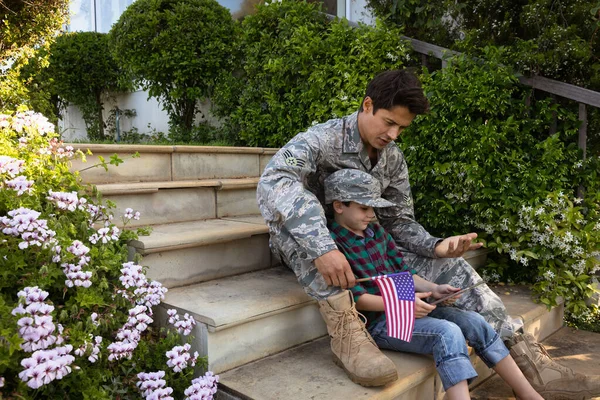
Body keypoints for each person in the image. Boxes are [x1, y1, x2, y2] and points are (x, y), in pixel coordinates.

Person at [256, 69, 600, 397]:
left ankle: (531, 365)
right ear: (367, 105)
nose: (393, 135)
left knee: (459, 270)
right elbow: (273, 182)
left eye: (401, 128)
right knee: (296, 227)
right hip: (321, 245)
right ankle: (348, 329)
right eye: (389, 122)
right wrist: (322, 246)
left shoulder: (391, 158)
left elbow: (399, 222)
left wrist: (436, 248)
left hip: (366, 241)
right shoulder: (321, 140)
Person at [324, 168, 542, 400]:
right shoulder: (332, 249)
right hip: (380, 324)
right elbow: (356, 299)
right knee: (447, 333)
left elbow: (405, 274)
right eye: (364, 208)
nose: (371, 215)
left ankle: (529, 395)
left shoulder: (378, 233)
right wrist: (403, 304)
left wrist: (433, 289)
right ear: (339, 206)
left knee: (475, 321)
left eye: (373, 209)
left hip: (408, 309)